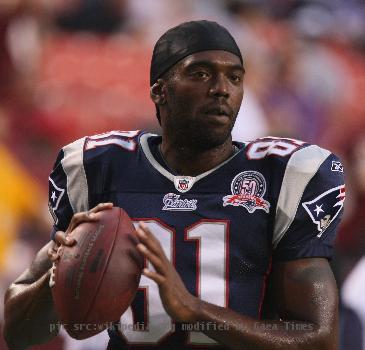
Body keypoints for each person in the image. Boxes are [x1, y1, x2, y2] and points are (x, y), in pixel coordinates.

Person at [4, 20, 345, 350]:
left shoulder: (280, 177)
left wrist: (194, 311)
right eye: (200, 73)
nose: (221, 88)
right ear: (159, 90)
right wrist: (60, 270)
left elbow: (319, 341)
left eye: (235, 77)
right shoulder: (99, 169)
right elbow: (18, 333)